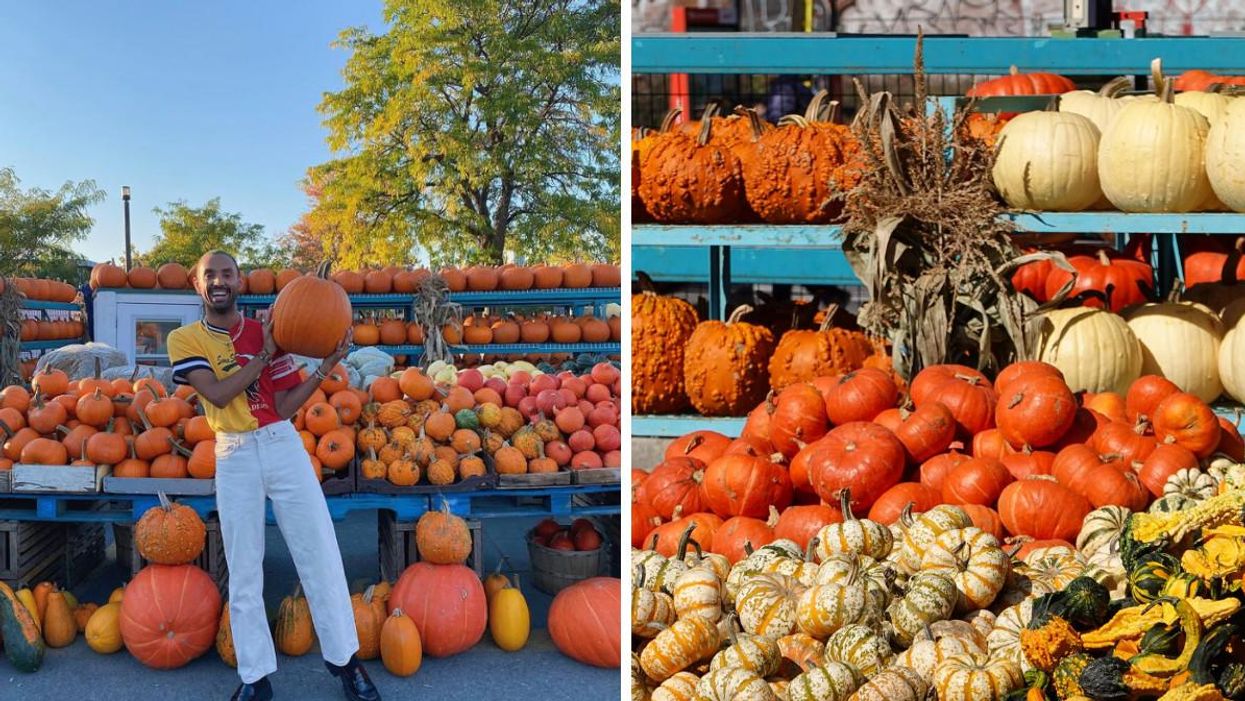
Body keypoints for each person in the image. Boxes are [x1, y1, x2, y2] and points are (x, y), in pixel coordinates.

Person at [167, 250, 379, 701]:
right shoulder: (185, 340)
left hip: (282, 445)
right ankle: (255, 676)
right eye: (211, 275)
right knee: (245, 568)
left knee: (320, 551)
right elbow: (220, 396)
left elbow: (283, 406)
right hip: (234, 453)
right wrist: (264, 354)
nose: (219, 281)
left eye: (228, 273)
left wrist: (324, 366)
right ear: (197, 285)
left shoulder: (272, 330)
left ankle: (347, 663)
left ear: (239, 281)